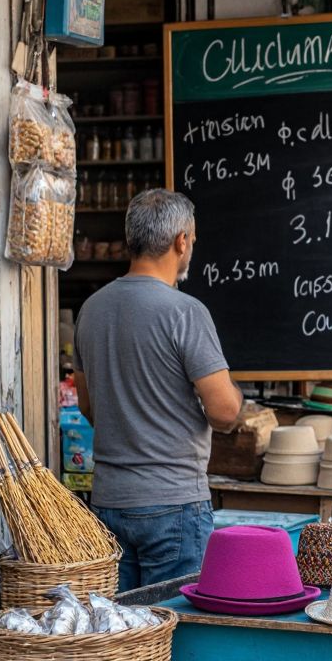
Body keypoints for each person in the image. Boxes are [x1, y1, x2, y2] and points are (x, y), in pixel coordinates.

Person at [74, 189, 244, 591]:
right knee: (176, 632)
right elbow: (224, 414)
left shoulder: (91, 309)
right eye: (193, 240)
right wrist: (235, 395)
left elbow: (88, 405)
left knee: (126, 637)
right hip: (173, 504)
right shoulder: (185, 312)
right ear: (180, 241)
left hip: (108, 503)